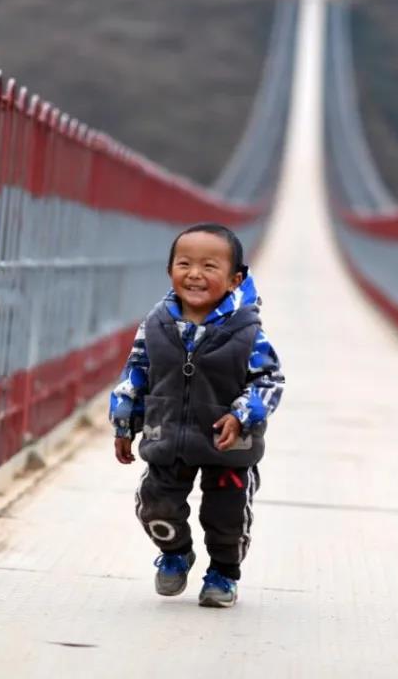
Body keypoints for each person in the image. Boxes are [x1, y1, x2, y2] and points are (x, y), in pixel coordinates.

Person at [110, 222, 284, 608]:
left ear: (235, 279)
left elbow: (270, 380)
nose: (194, 274)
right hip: (167, 432)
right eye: (184, 263)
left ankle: (223, 573)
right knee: (156, 505)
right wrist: (125, 421)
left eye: (209, 266)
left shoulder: (248, 331)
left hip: (228, 443)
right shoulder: (156, 324)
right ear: (169, 269)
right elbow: (137, 370)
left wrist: (242, 415)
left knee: (227, 517)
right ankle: (176, 552)